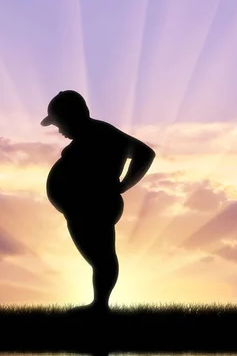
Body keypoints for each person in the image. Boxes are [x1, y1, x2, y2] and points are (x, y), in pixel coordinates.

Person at [41, 90, 155, 314]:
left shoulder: (102, 133)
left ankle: (100, 305)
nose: (59, 130)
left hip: (96, 206)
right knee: (98, 257)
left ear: (73, 115)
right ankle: (99, 303)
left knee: (101, 257)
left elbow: (145, 153)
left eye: (59, 123)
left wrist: (124, 185)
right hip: (80, 209)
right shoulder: (89, 135)